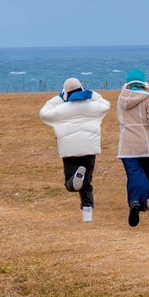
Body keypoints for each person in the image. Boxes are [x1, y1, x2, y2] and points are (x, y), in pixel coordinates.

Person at [39, 77, 110, 222]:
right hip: (89, 148)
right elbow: (105, 104)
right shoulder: (93, 106)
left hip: (70, 150)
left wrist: (59, 98)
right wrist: (91, 94)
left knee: (70, 185)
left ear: (66, 92)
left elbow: (44, 113)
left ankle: (75, 178)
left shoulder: (60, 109)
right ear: (82, 89)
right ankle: (87, 212)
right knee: (87, 183)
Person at [116, 68, 149, 227]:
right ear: (143, 83)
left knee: (134, 173)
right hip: (145, 142)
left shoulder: (121, 99)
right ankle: (142, 201)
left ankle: (136, 201)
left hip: (126, 144)